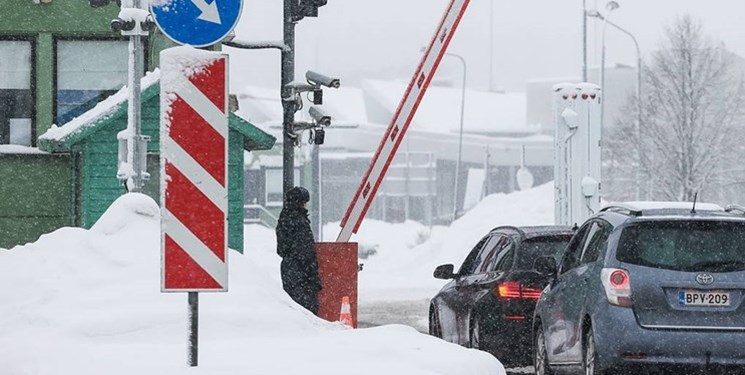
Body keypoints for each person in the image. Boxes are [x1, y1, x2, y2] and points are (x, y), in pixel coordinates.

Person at [276, 186, 322, 315]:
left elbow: (281, 249)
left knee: (294, 307)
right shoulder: (299, 222)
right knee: (307, 310)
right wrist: (313, 276)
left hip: (289, 269)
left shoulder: (284, 219)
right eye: (304, 202)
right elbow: (305, 252)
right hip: (301, 273)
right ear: (300, 202)